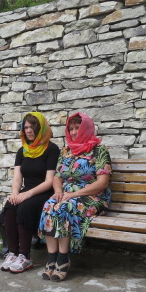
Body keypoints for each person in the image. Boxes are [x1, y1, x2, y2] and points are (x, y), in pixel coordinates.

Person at [38, 112, 112, 282]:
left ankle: (63, 258)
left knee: (65, 207)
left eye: (77, 128)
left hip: (94, 196)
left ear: (86, 128)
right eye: (70, 129)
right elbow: (57, 176)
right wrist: (58, 191)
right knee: (49, 205)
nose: (73, 132)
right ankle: (52, 257)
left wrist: (74, 194)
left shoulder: (99, 150)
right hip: (68, 194)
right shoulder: (66, 151)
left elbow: (102, 183)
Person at [0, 112, 59, 273]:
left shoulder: (51, 149)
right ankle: (13, 253)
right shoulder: (22, 151)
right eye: (26, 128)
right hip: (26, 191)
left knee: (24, 208)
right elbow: (17, 178)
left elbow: (49, 181)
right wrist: (15, 193)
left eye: (32, 127)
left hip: (44, 192)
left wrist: (27, 194)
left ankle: (25, 256)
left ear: (41, 128)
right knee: (10, 206)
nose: (29, 130)